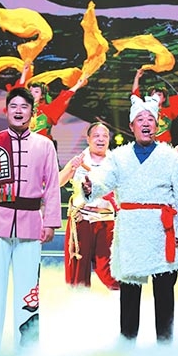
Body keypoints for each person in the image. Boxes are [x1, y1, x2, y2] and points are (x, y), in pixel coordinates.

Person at [81, 95, 178, 344]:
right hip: (131, 230)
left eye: (150, 119)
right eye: (140, 119)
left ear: (157, 125)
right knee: (129, 294)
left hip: (162, 232)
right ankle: (127, 344)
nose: (145, 123)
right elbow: (103, 181)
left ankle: (164, 347)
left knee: (164, 293)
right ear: (131, 125)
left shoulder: (170, 158)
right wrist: (91, 186)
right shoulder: (119, 157)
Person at [0, 87, 61, 356]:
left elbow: (52, 186)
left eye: (24, 107)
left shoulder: (44, 145)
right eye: (14, 106)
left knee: (29, 288)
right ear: (6, 111)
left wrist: (50, 222)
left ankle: (27, 347)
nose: (19, 111)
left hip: (31, 224)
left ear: (33, 112)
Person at [59, 122, 119, 290]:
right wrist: (71, 168)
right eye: (96, 136)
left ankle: (121, 301)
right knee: (77, 269)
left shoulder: (116, 163)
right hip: (81, 219)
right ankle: (78, 302)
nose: (101, 139)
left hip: (106, 220)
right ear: (88, 139)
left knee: (109, 269)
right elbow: (57, 182)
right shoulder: (79, 160)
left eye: (104, 136)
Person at [18, 63, 86, 140]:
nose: (32, 93)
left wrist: (77, 85)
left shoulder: (46, 110)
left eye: (36, 91)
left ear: (42, 96)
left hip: (43, 144)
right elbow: (17, 92)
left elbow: (62, 99)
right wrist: (24, 73)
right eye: (30, 91)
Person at [131, 68, 178, 143]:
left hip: (165, 146)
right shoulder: (144, 109)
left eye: (159, 95)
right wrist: (137, 77)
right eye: (153, 94)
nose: (156, 97)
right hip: (147, 145)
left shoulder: (169, 109)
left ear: (164, 99)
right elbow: (135, 95)